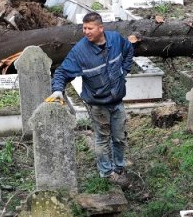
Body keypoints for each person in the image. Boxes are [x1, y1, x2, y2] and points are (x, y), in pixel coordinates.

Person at [47, 12, 135, 186]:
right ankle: (106, 172)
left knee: (119, 137)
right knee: (102, 138)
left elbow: (129, 50)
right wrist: (58, 90)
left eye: (90, 28)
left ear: (100, 28)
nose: (86, 31)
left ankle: (119, 167)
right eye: (84, 28)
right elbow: (62, 72)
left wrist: (124, 72)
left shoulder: (116, 40)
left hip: (117, 101)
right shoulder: (80, 52)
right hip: (98, 104)